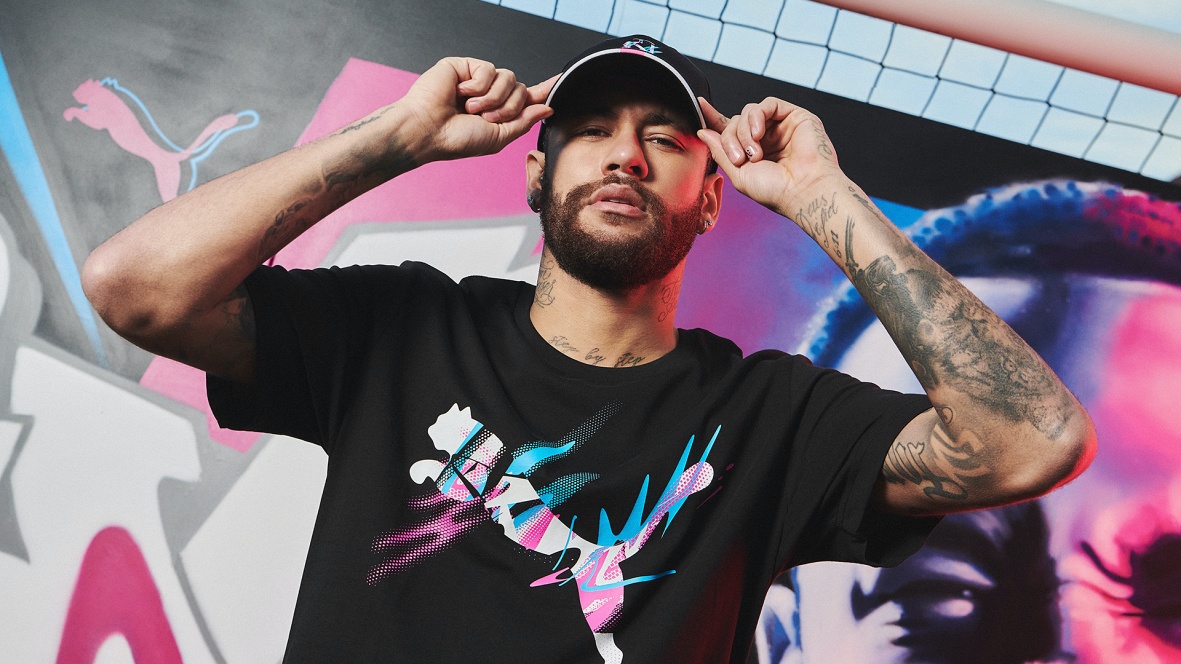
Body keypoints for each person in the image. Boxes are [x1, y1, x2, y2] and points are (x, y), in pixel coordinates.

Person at [81, 35, 1095, 663]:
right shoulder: (399, 326)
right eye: (591, 128)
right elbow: (135, 287)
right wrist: (394, 137)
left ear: (711, 198)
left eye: (663, 137)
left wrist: (826, 198)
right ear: (535, 174)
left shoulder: (772, 415)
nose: (623, 154)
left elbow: (1032, 440)